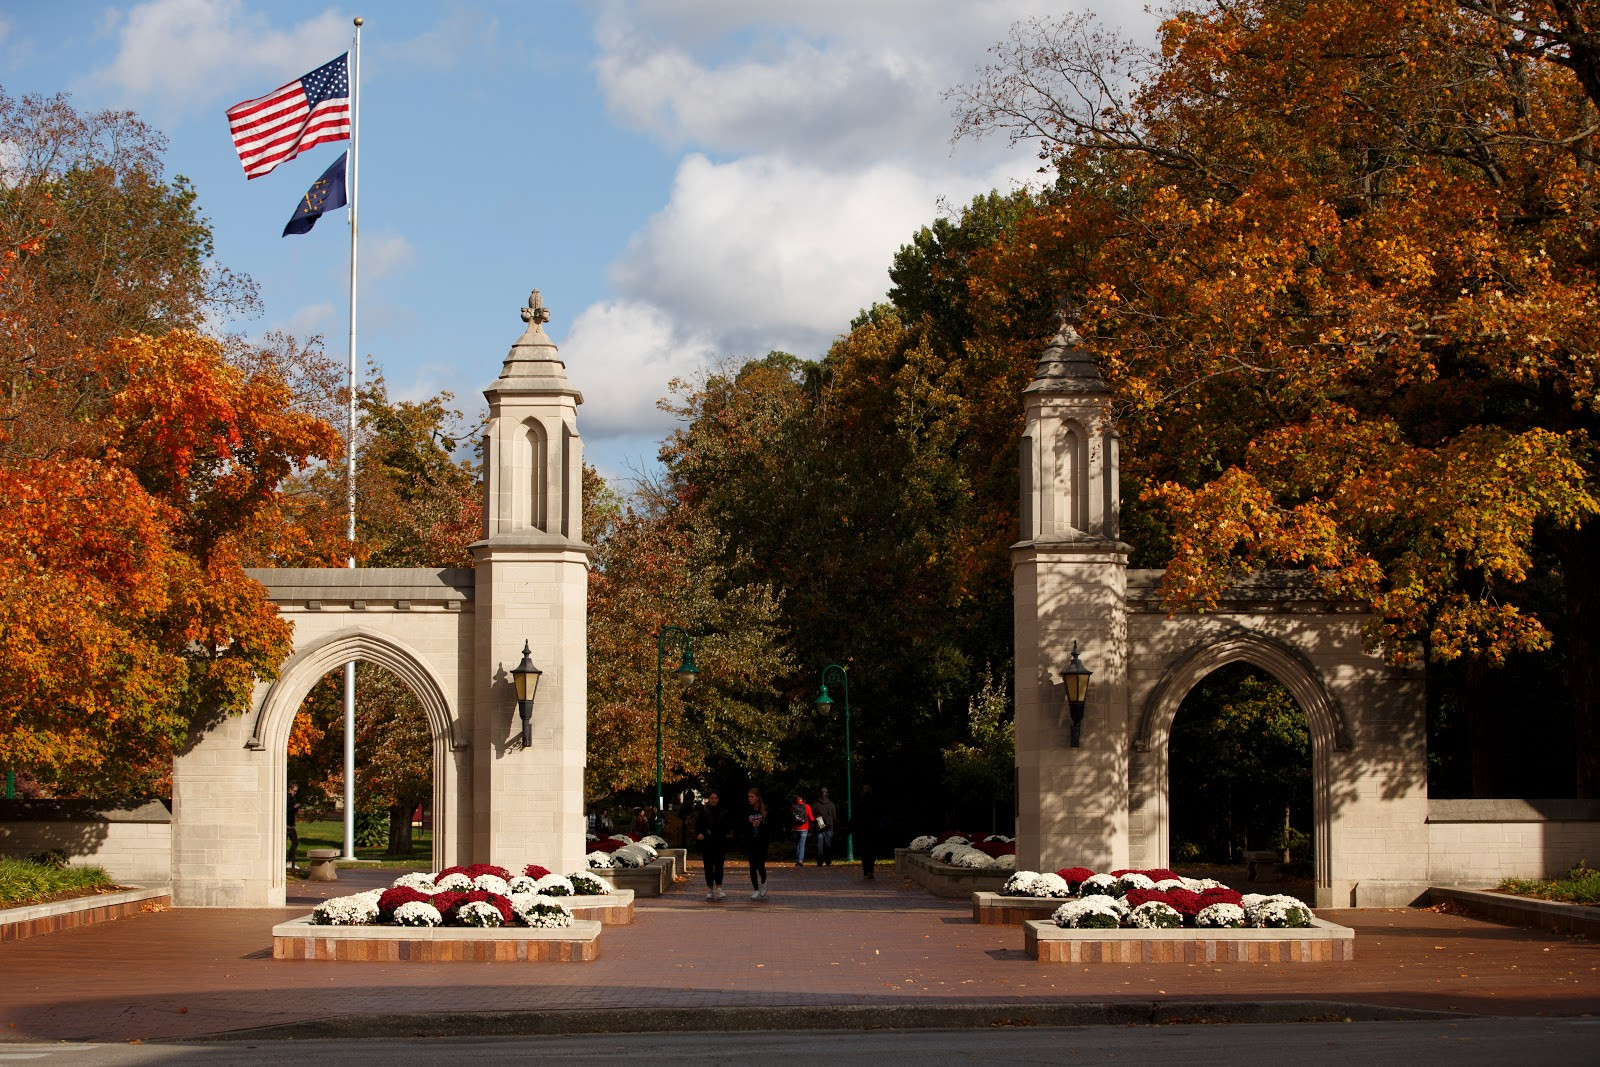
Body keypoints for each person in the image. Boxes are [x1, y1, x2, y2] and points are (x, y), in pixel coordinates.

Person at [695, 790, 732, 900]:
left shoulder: (723, 811)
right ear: (708, 799)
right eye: (712, 798)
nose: (714, 800)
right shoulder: (703, 811)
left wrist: (727, 834)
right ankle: (710, 888)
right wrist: (699, 834)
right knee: (708, 867)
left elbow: (727, 826)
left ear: (718, 799)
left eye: (715, 798)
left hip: (720, 843)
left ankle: (719, 888)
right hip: (707, 843)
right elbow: (698, 826)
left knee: (719, 866)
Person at [742, 788, 771, 899]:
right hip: (751, 843)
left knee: (760, 866)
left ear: (757, 797)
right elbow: (743, 826)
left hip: (762, 843)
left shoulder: (764, 811)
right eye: (749, 797)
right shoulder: (747, 810)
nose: (750, 799)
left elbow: (769, 827)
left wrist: (761, 824)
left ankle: (764, 883)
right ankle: (755, 889)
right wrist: (751, 826)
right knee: (752, 866)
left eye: (752, 796)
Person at [855, 783, 881, 879]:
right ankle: (870, 869)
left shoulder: (859, 804)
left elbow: (855, 818)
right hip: (873, 831)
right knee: (871, 851)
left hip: (862, 831)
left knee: (864, 851)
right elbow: (879, 817)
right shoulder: (875, 804)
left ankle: (866, 869)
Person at [812, 787, 838, 867]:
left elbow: (813, 815)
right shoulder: (831, 804)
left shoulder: (816, 803)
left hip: (819, 826)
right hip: (829, 826)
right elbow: (834, 816)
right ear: (827, 793)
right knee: (828, 845)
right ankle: (828, 861)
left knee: (819, 845)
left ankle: (820, 862)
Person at [790, 793, 814, 867]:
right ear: (802, 800)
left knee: (797, 844)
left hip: (795, 828)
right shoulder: (807, 806)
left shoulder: (793, 807)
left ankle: (797, 860)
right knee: (802, 844)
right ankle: (800, 860)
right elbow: (811, 818)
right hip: (804, 827)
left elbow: (791, 817)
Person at [286, 783, 300, 868]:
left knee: (295, 842)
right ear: (290, 789)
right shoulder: (287, 797)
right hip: (286, 825)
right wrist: (295, 807)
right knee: (294, 842)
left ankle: (290, 862)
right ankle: (289, 862)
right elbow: (287, 810)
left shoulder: (292, 798)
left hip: (291, 825)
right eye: (294, 791)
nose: (295, 792)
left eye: (296, 791)